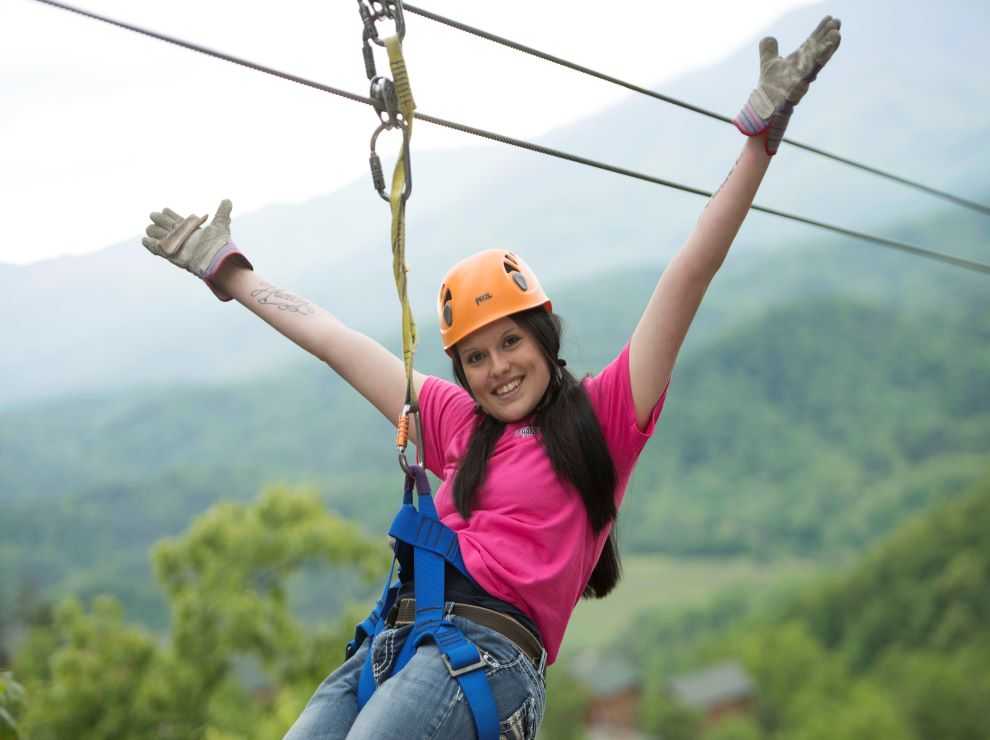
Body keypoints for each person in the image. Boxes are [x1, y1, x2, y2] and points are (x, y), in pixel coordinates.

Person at [141, 16, 840, 740]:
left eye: (510, 342)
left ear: (543, 337)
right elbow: (334, 341)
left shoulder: (603, 416)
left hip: (487, 658)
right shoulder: (455, 424)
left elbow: (690, 272)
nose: (497, 367)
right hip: (396, 640)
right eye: (476, 357)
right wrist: (229, 271)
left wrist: (760, 140)